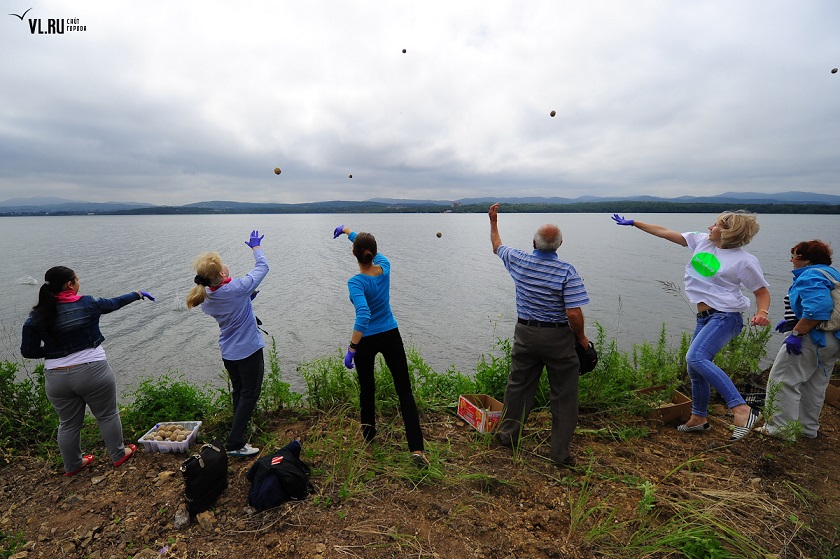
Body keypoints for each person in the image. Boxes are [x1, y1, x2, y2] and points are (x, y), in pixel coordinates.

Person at [612, 211, 771, 440]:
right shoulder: (703, 242)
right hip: (705, 317)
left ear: (728, 232)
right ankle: (698, 418)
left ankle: (742, 409)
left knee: (696, 358)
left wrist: (762, 312)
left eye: (715, 225)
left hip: (725, 317)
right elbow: (666, 233)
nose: (709, 227)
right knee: (694, 369)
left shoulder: (744, 261)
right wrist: (635, 223)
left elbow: (761, 292)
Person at [20, 266, 154, 476]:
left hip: (56, 378)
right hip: (93, 371)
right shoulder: (87, 303)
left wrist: (56, 351)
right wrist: (137, 294)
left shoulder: (37, 315)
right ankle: (119, 455)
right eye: (77, 279)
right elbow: (114, 303)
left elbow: (27, 351)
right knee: (107, 415)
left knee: (68, 424)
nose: (78, 282)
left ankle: (73, 465)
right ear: (70, 285)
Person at [488, 203, 590, 467]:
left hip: (525, 333)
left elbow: (497, 245)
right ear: (560, 244)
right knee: (564, 394)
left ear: (533, 242)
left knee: (518, 386)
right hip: (557, 339)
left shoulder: (519, 260)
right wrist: (581, 339)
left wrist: (494, 222)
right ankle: (559, 454)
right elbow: (573, 314)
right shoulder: (567, 272)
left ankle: (508, 436)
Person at [332, 225, 429, 468]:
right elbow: (372, 251)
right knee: (404, 391)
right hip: (391, 333)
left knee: (367, 389)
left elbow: (363, 315)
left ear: (354, 255)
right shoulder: (384, 267)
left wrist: (352, 348)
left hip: (367, 339)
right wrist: (349, 232)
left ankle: (369, 439)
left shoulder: (356, 282)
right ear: (373, 254)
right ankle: (416, 448)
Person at [186, 230, 269, 457]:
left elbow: (226, 306)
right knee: (250, 393)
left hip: (230, 353)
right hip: (248, 351)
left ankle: (238, 430)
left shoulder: (206, 299)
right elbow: (263, 267)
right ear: (222, 272)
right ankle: (235, 443)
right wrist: (256, 248)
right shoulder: (238, 288)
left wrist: (246, 301)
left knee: (240, 392)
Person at [761, 240, 840, 441]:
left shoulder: (810, 275)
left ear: (807, 260)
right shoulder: (832, 274)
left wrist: (796, 334)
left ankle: (779, 428)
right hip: (833, 340)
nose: (791, 260)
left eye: (795, 256)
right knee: (814, 384)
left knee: (782, 379)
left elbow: (817, 309)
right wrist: (791, 319)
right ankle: (807, 428)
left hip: (812, 337)